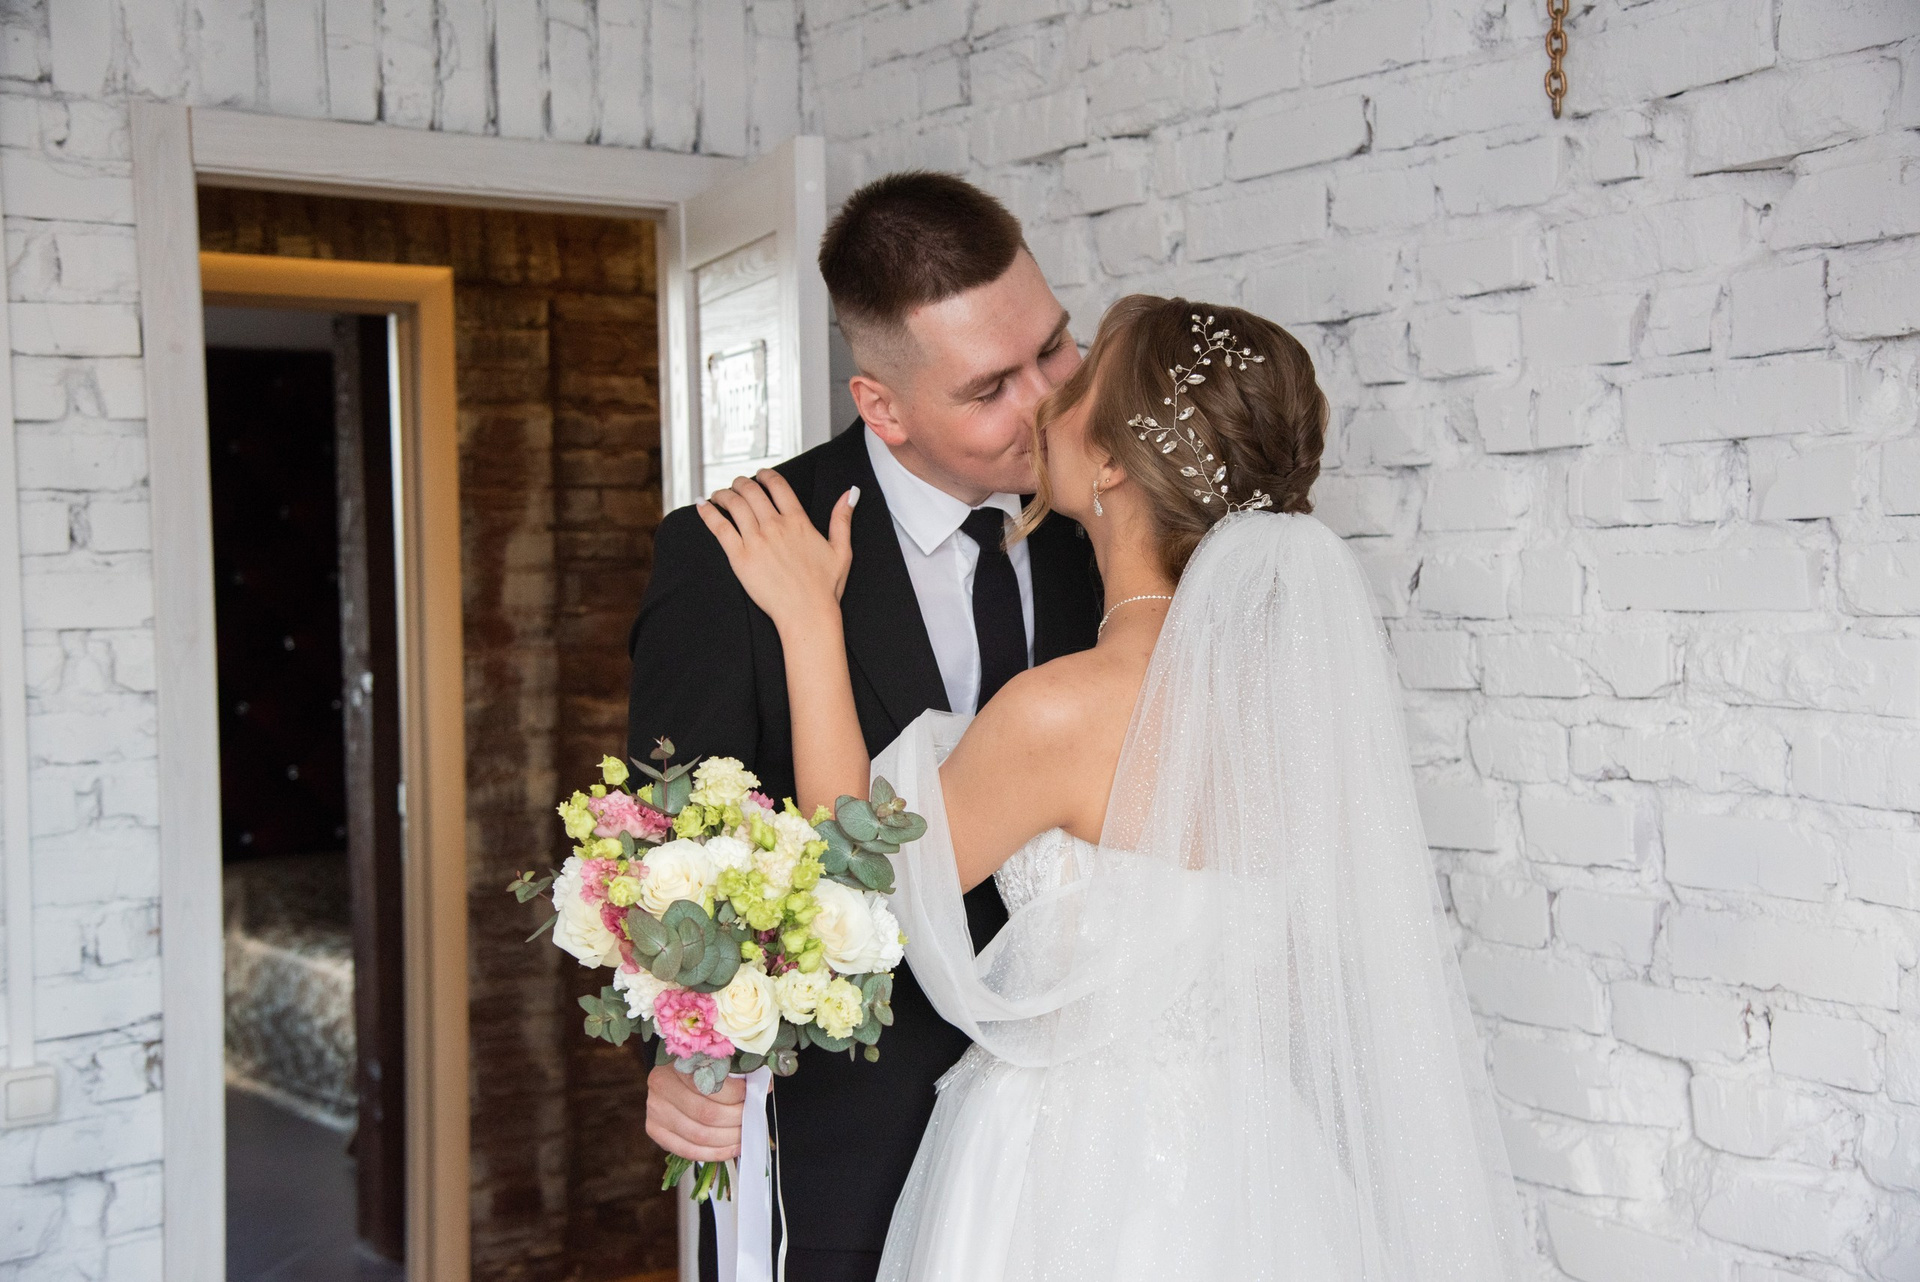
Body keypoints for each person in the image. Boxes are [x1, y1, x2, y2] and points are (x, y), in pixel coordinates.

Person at [699, 294, 1528, 1280]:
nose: (1050, 394)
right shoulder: (1296, 708)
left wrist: (807, 620)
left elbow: (849, 886)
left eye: (1080, 375)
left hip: (1067, 1172)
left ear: (1111, 467)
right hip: (1253, 1163)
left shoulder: (1063, 711)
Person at [625, 171, 1099, 1282]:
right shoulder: (731, 557)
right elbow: (674, 853)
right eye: (991, 388)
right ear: (882, 406)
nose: (1047, 402)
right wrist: (682, 1050)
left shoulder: (1107, 519)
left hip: (1078, 1150)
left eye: (1053, 348)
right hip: (848, 1164)